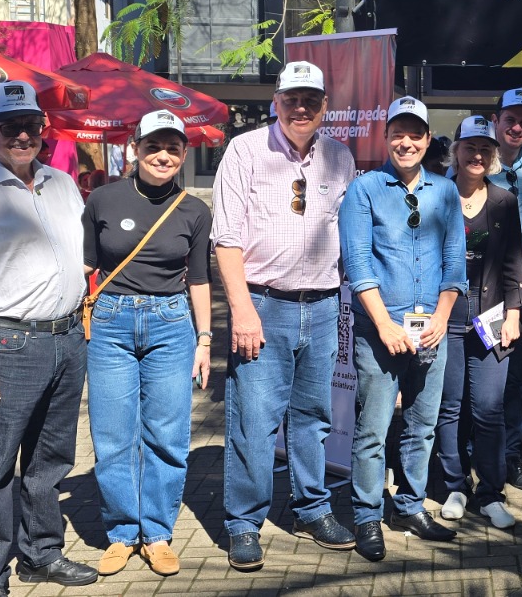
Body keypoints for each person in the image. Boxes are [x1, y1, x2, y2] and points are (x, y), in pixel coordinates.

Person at [0, 80, 99, 596]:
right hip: (7, 346)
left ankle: (41, 553)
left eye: (30, 124)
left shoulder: (63, 185)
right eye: (9, 127)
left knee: (51, 462)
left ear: (43, 128)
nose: (22, 135)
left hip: (68, 339)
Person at [212, 60, 358, 568]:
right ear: (276, 102)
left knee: (313, 419)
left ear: (324, 108)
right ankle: (244, 522)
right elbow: (226, 239)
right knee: (253, 420)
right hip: (263, 305)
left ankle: (311, 508)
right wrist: (242, 310)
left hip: (321, 306)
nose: (301, 108)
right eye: (292, 99)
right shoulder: (245, 150)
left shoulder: (340, 157)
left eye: (311, 100)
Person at [82, 110, 214, 578]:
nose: (163, 156)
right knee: (114, 433)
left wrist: (204, 339)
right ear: (135, 149)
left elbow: (199, 279)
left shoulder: (195, 210)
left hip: (171, 323)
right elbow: (87, 269)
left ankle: (156, 533)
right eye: (154, 146)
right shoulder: (102, 199)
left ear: (183, 154)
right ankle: (121, 532)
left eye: (173, 148)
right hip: (113, 323)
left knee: (167, 434)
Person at [339, 96, 464, 561]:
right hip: (380, 328)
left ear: (428, 140)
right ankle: (369, 515)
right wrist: (385, 323)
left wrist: (441, 316)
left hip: (431, 326)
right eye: (398, 133)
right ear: (386, 137)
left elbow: (454, 261)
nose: (406, 142)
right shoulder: (365, 189)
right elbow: (357, 263)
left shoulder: (446, 192)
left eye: (416, 134)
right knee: (372, 429)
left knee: (422, 423)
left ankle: (410, 505)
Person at [431, 115, 522, 529]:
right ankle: (454, 486)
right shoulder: (436, 193)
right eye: (470, 147)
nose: (478, 154)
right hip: (444, 317)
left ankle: (490, 492)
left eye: (485, 148)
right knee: (448, 407)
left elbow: (513, 262)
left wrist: (514, 313)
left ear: (493, 155)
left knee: (489, 409)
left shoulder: (504, 200)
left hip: (491, 317)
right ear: (457, 151)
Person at [485, 88, 522, 491]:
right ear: (496, 120)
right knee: (481, 368)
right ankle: (475, 453)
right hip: (479, 282)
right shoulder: (475, 160)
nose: (517, 127)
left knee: (516, 373)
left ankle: (510, 456)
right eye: (511, 119)